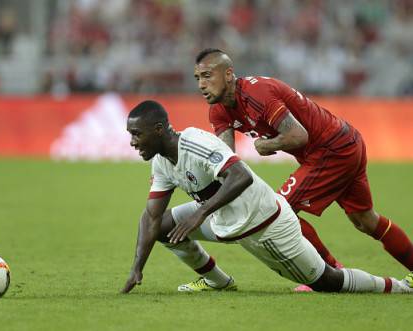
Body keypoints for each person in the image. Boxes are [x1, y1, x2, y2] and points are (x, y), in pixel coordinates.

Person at [121, 100, 413, 294]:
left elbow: (241, 175)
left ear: (158, 130)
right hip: (225, 219)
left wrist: (200, 213)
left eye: (136, 134)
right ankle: (217, 281)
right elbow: (151, 216)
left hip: (263, 223)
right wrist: (136, 269)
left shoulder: (195, 143)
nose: (132, 142)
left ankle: (397, 287)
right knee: (162, 226)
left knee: (326, 281)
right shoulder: (161, 161)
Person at [193, 48, 413, 291]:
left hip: (332, 149)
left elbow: (298, 136)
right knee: (365, 220)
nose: (202, 84)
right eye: (198, 78)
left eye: (207, 76)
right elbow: (228, 160)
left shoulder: (258, 93)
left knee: (281, 210)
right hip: (345, 143)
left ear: (228, 75)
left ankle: (332, 273)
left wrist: (267, 144)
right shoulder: (218, 110)